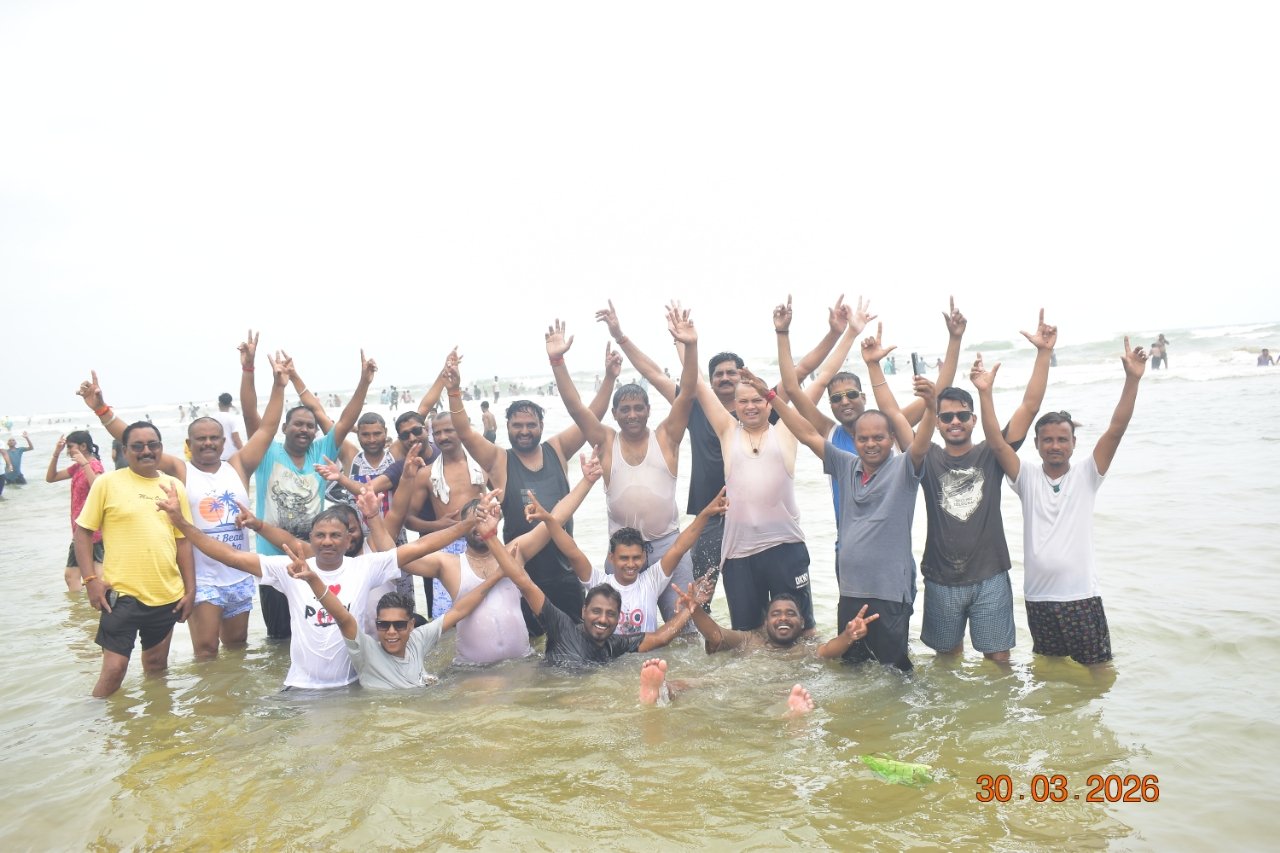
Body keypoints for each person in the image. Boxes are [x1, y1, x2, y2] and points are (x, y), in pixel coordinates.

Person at [599, 295, 855, 594]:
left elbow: (802, 373)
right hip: (708, 516)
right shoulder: (696, 407)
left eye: (731, 372)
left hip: (755, 519)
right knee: (701, 595)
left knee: (770, 600)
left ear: (744, 377)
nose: (724, 378)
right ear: (710, 380)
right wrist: (625, 337)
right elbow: (655, 374)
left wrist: (835, 333)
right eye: (718, 374)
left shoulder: (762, 407)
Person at [156, 487, 488, 689]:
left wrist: (468, 524)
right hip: (300, 686)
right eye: (321, 536)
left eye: (335, 536)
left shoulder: (365, 567)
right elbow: (230, 556)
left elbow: (421, 546)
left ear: (348, 540)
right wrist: (181, 523)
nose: (328, 541)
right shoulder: (290, 569)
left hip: (352, 685)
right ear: (311, 540)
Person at [869, 309, 1057, 664]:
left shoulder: (993, 453)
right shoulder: (927, 457)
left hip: (991, 574)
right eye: (946, 417)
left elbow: (1030, 407)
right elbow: (892, 415)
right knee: (946, 661)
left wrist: (1044, 353)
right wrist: (874, 366)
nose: (955, 421)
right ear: (938, 423)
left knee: (999, 660)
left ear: (973, 419)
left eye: (962, 415)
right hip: (941, 577)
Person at [748, 326, 938, 671]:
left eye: (879, 438)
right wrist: (772, 398)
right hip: (851, 588)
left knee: (894, 671)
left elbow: (922, 443)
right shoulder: (845, 464)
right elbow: (806, 433)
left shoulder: (904, 469)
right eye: (864, 439)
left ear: (891, 438)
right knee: (850, 668)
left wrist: (932, 406)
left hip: (889, 591)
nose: (870, 444)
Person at [78, 359, 288, 659]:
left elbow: (267, 429)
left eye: (214, 438)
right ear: (189, 443)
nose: (208, 443)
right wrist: (101, 410)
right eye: (201, 439)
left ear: (224, 442)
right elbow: (135, 440)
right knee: (206, 651)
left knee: (237, 648)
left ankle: (230, 692)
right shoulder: (181, 470)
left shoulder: (239, 466)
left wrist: (279, 385)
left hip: (239, 574)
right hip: (202, 578)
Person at [974, 338, 1148, 667]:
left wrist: (1132, 380)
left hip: (1081, 597)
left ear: (1073, 443)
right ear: (1037, 444)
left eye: (1062, 440)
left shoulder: (1087, 474)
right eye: (1048, 440)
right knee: (1049, 673)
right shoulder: (1026, 477)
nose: (1055, 446)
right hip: (1038, 598)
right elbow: (996, 444)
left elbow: (1116, 429)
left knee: (1098, 671)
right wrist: (985, 393)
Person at [776, 298, 963, 577]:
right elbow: (792, 388)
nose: (845, 401)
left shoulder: (889, 428)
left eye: (852, 394)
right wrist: (783, 333)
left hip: (891, 551)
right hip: (849, 547)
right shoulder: (830, 433)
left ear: (863, 397)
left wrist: (954, 339)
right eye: (836, 398)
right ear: (830, 405)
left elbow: (938, 393)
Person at [448, 344, 619, 633]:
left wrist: (610, 378)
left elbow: (589, 416)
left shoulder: (557, 449)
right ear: (507, 426)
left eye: (531, 425)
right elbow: (464, 433)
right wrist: (453, 391)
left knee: (576, 638)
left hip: (566, 571)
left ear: (541, 425)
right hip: (521, 573)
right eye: (517, 425)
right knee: (530, 646)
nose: (524, 431)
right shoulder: (499, 460)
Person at [549, 307, 701, 623]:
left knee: (684, 628)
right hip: (622, 555)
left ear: (649, 410)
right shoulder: (606, 441)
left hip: (668, 547)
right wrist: (558, 362)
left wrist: (691, 347)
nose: (632, 415)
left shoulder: (666, 437)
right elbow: (576, 409)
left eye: (638, 408)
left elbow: (687, 394)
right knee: (616, 630)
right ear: (614, 414)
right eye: (625, 409)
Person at [249, 350, 376, 639]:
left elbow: (345, 420)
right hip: (274, 561)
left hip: (313, 558)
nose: (304, 429)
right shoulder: (267, 452)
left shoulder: (321, 450)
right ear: (284, 428)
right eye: (298, 424)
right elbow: (251, 414)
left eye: (310, 426)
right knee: (280, 638)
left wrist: (364, 382)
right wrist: (274, 382)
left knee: (317, 631)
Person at [279, 539, 510, 689]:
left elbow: (459, 609)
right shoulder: (366, 652)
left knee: (493, 683)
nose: (391, 632)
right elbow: (342, 616)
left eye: (399, 625)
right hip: (387, 717)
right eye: (383, 625)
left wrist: (498, 575)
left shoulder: (418, 640)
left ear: (411, 625)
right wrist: (314, 580)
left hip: (423, 703)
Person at [75, 422, 196, 697]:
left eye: (152, 445)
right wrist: (91, 580)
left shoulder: (174, 486)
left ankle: (157, 721)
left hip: (166, 594)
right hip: (121, 596)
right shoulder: (107, 483)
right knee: (114, 670)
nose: (146, 451)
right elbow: (83, 532)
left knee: (156, 666)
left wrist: (190, 590)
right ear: (124, 451)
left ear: (161, 448)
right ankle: (93, 720)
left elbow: (183, 540)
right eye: (137, 446)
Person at [490, 531, 696, 669]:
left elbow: (660, 638)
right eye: (596, 611)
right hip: (551, 696)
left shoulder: (615, 644)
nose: (603, 619)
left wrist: (690, 607)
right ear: (583, 611)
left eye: (610, 614)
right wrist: (490, 536)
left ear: (618, 619)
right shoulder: (562, 628)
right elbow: (524, 583)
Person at [545, 487, 728, 635]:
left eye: (636, 558)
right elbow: (572, 552)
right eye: (624, 558)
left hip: (646, 655)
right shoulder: (600, 583)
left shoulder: (651, 581)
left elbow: (679, 547)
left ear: (644, 557)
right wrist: (547, 520)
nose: (631, 564)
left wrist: (705, 514)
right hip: (614, 658)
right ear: (612, 558)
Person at [46, 430, 105, 591]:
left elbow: (98, 488)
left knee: (98, 573)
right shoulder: (76, 467)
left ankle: (102, 603)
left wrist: (85, 465)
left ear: (83, 446)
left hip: (93, 529)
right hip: (79, 528)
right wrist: (56, 454)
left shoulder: (94, 465)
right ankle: (80, 606)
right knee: (71, 576)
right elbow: (51, 478)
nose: (68, 451)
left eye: (70, 447)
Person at [213, 392, 244, 460]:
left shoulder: (212, 418)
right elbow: (236, 439)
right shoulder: (232, 418)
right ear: (230, 404)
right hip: (231, 455)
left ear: (219, 404)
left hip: (217, 455)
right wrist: (244, 453)